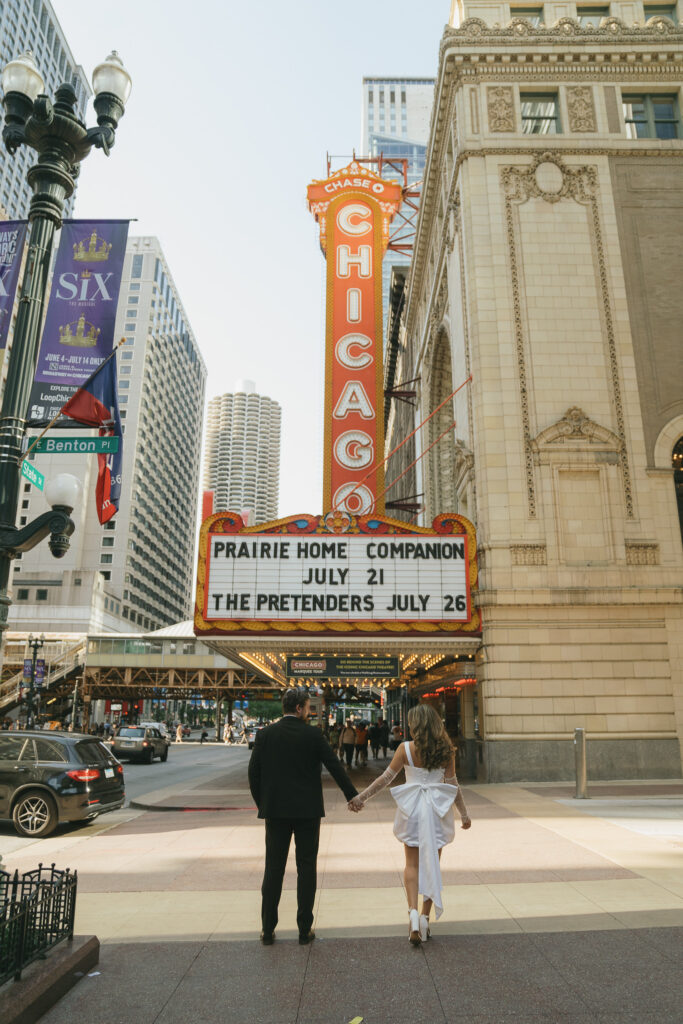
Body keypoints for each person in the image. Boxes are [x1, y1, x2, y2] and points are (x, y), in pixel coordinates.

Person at [349, 703, 471, 945]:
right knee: (432, 864)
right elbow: (453, 784)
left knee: (412, 864)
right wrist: (464, 814)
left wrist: (361, 797)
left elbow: (386, 778)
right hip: (437, 810)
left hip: (413, 809)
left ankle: (412, 913)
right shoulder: (447, 749)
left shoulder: (405, 748)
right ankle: (426, 918)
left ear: (416, 725)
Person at [248, 687, 358, 946]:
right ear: (299, 708)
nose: (310, 712)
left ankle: (267, 929)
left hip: (276, 812)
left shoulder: (265, 735)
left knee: (273, 869)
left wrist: (264, 804)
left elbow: (254, 774)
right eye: (309, 707)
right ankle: (304, 929)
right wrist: (352, 795)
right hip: (308, 812)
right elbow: (334, 766)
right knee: (306, 868)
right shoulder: (313, 734)